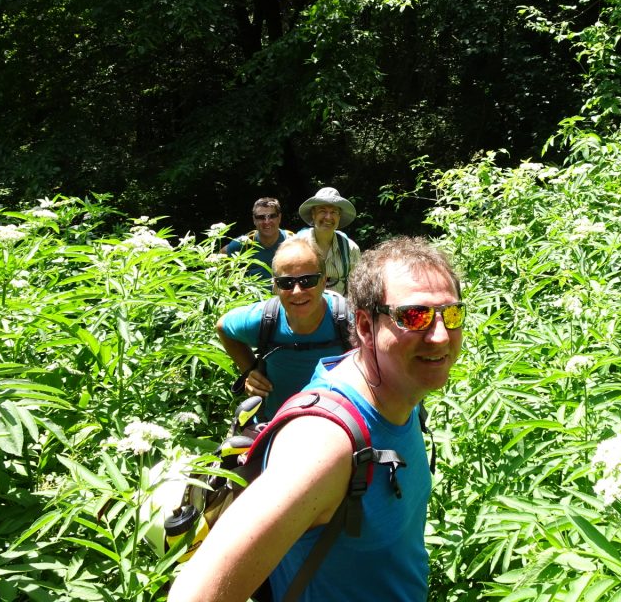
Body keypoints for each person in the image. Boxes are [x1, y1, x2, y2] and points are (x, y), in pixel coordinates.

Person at [168, 236, 464, 602]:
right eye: (414, 316)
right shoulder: (323, 445)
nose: (439, 336)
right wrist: (249, 371)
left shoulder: (401, 396)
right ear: (366, 327)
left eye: (451, 314)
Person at [216, 236, 351, 421]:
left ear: (324, 280)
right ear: (275, 287)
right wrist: (251, 371)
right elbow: (222, 326)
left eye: (307, 280)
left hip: (339, 428)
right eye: (286, 283)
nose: (297, 291)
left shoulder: (349, 319)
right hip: (275, 426)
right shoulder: (263, 319)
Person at [296, 187, 361, 295]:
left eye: (334, 212)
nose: (328, 217)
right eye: (322, 211)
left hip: (340, 310)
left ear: (339, 216)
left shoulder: (351, 248)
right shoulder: (295, 246)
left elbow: (357, 288)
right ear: (313, 214)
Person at [221, 197, 293, 280]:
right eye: (261, 217)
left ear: (279, 217)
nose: (267, 222)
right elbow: (222, 255)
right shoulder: (245, 243)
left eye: (272, 216)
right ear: (254, 220)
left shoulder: (292, 241)